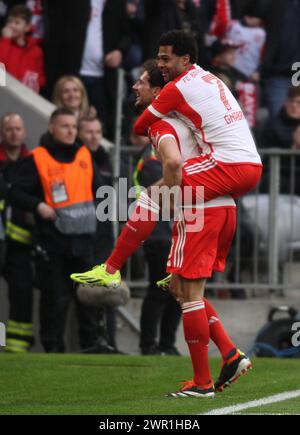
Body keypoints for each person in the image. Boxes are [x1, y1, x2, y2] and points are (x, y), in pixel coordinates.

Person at [71, 50, 260, 396]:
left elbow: (172, 162)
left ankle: (203, 382)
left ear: (158, 92)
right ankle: (230, 354)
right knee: (179, 289)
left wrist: (170, 197)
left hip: (202, 210)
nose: (135, 86)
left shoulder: (161, 123)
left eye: (142, 82)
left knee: (188, 291)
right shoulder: (181, 115)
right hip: (215, 205)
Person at [9, 108, 104, 353]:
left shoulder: (84, 155)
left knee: (88, 301)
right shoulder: (38, 157)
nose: (71, 131)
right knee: (55, 300)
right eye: (65, 126)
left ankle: (90, 349)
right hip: (53, 243)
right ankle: (53, 351)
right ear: (52, 128)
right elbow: (12, 191)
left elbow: (101, 193)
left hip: (84, 243)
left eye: (73, 126)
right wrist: (37, 205)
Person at [0, 113, 34, 353]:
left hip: (21, 243)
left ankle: (16, 349)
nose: (13, 133)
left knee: (22, 295)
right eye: (9, 129)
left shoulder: (32, 162)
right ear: (2, 133)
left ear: (24, 132)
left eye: (17, 128)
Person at [0, 4, 45, 92]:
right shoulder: (2, 43)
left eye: (17, 22)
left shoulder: (36, 51)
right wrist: (5, 41)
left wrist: (35, 82)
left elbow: (41, 78)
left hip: (24, 95)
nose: (12, 26)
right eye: (9, 21)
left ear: (27, 27)